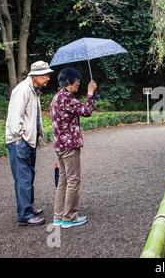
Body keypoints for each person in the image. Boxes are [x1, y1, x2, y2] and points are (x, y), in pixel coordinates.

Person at [6, 60, 54, 226]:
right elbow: (14, 117)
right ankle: (24, 215)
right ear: (35, 76)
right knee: (23, 177)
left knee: (28, 175)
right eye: (45, 75)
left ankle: (28, 206)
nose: (48, 78)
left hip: (28, 140)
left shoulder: (34, 90)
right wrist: (19, 139)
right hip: (20, 141)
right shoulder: (22, 90)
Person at [50, 68, 97, 228]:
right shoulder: (66, 98)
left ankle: (58, 217)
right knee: (73, 180)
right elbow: (87, 111)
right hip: (69, 146)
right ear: (69, 81)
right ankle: (69, 217)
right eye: (77, 80)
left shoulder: (57, 97)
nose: (79, 83)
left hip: (60, 145)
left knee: (63, 180)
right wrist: (91, 93)